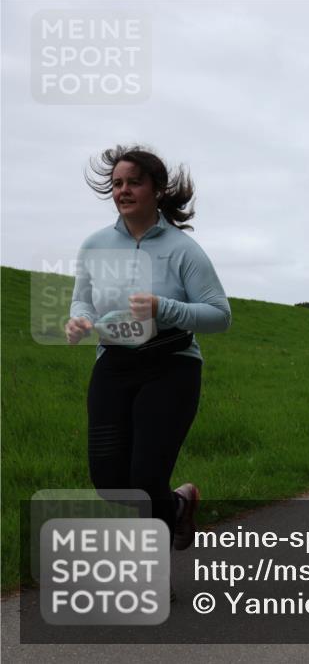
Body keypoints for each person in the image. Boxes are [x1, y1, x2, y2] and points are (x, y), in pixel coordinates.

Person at [65, 146, 231, 580]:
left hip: (171, 366)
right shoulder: (95, 244)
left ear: (157, 189)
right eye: (117, 183)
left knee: (143, 476)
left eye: (133, 182)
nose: (123, 190)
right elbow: (82, 296)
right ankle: (178, 505)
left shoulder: (182, 250)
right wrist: (79, 319)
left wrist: (164, 307)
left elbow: (219, 316)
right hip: (114, 366)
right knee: (108, 480)